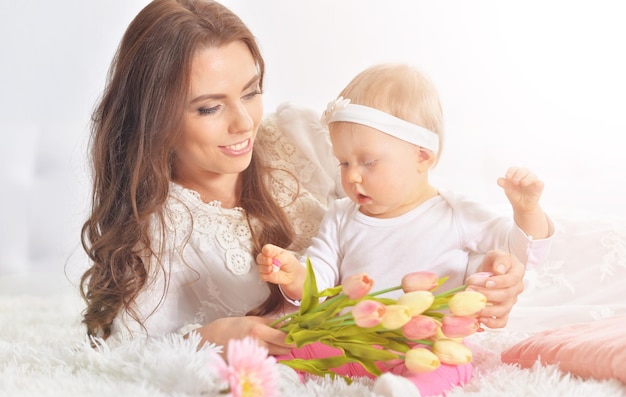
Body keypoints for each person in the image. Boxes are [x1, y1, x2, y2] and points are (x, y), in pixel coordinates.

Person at [79, 0, 525, 363]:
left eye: (251, 92)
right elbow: (122, 351)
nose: (244, 123)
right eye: (209, 108)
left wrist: (491, 279)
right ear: (155, 119)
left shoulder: (299, 137)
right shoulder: (165, 230)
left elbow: (410, 211)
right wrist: (214, 336)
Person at [257, 63, 554, 397]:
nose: (353, 176)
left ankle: (405, 392)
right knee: (293, 341)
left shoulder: (454, 213)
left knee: (451, 363)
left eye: (368, 162)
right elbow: (321, 273)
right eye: (344, 162)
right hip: (350, 336)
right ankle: (278, 381)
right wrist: (296, 275)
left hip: (418, 341)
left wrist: (526, 211)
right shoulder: (342, 214)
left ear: (422, 157)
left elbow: (520, 254)